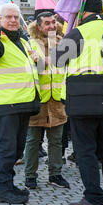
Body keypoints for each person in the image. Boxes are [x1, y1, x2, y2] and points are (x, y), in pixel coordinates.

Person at [53, 0, 103, 205]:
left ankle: (93, 197)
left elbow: (58, 60)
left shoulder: (79, 32)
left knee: (85, 150)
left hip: (81, 99)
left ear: (83, 12)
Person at [0, 2, 40, 205]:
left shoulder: (22, 41)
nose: (13, 20)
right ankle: (3, 190)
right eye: (8, 17)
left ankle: (9, 185)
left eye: (16, 17)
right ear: (0, 19)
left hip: (22, 103)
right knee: (7, 150)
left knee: (16, 150)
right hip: (6, 105)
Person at [23, 11, 70, 190]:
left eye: (53, 22)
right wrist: (37, 60)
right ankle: (30, 176)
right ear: (39, 26)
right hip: (37, 101)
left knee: (56, 141)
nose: (52, 26)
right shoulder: (29, 44)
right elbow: (29, 68)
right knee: (33, 141)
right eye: (47, 23)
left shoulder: (62, 44)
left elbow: (68, 67)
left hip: (57, 100)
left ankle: (55, 175)